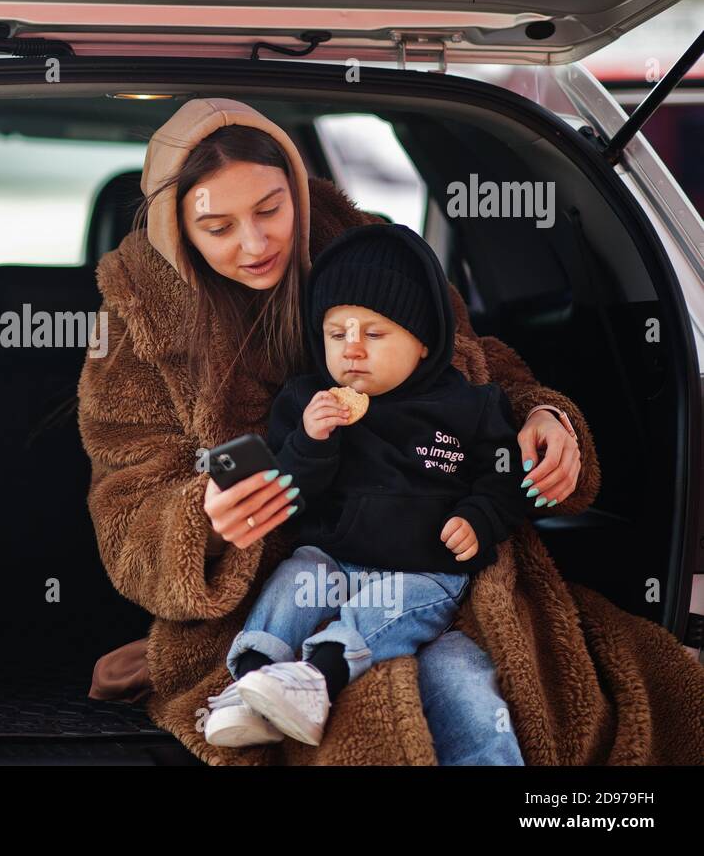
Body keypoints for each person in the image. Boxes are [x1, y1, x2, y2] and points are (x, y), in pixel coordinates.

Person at [79, 97, 594, 766]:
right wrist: (197, 518)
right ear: (179, 228)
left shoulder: (373, 253)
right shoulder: (136, 331)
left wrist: (545, 418)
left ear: (295, 186)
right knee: (346, 728)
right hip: (272, 601)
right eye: (219, 226)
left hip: (433, 564)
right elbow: (123, 510)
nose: (256, 243)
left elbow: (472, 371)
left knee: (474, 695)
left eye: (270, 209)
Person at [206, 222, 542, 748]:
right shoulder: (307, 402)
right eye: (337, 334)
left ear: (423, 342)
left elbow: (504, 476)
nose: (353, 350)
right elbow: (288, 496)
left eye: (374, 334)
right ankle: (251, 677)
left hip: (426, 569)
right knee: (297, 575)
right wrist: (312, 441)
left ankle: (318, 675)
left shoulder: (469, 407)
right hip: (334, 560)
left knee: (393, 601)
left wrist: (480, 518)